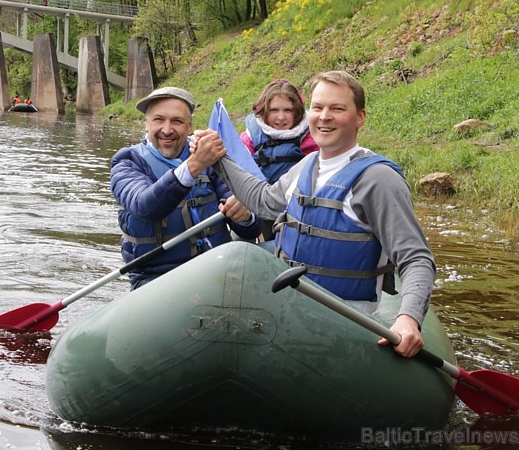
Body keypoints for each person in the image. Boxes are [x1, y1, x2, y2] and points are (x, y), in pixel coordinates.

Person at [192, 71, 435, 357]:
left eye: (337, 108)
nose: (324, 116)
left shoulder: (377, 178)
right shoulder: (308, 164)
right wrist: (220, 160)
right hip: (291, 313)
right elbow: (264, 201)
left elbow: (416, 257)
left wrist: (408, 318)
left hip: (346, 322)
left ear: (360, 118)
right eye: (318, 108)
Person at [110, 87, 262, 291]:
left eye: (177, 121)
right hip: (157, 278)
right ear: (146, 124)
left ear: (189, 126)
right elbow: (145, 206)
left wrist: (244, 216)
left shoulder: (209, 159)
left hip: (216, 269)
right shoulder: (127, 162)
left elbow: (253, 228)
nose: (167, 129)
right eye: (158, 120)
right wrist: (193, 166)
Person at [240, 79, 318, 239]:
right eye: (274, 110)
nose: (281, 117)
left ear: (297, 112)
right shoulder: (251, 136)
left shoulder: (309, 135)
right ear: (264, 111)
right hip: (265, 204)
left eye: (287, 110)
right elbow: (239, 164)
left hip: (300, 204)